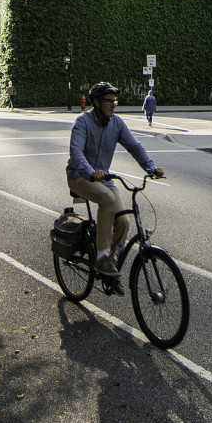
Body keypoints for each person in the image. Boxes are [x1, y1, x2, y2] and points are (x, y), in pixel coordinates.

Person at [67, 82, 164, 288]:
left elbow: (134, 146)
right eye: (109, 101)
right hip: (79, 177)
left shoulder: (116, 123)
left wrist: (151, 168)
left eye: (114, 101)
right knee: (107, 199)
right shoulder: (83, 122)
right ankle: (101, 255)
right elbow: (76, 152)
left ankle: (108, 265)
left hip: (104, 179)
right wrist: (90, 172)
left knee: (124, 223)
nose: (113, 105)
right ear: (96, 102)